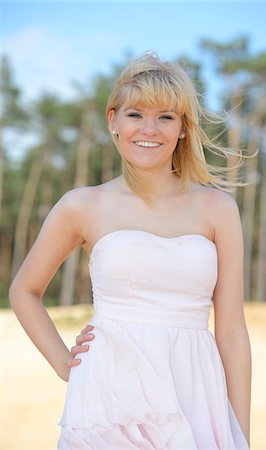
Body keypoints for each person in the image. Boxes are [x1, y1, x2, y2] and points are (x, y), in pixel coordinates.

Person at [9, 51, 252, 449]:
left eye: (166, 117)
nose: (149, 129)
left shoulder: (218, 209)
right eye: (135, 114)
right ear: (114, 122)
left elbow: (232, 333)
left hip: (196, 390)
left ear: (184, 129)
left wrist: (239, 434)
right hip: (109, 394)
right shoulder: (81, 205)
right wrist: (64, 363)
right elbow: (24, 290)